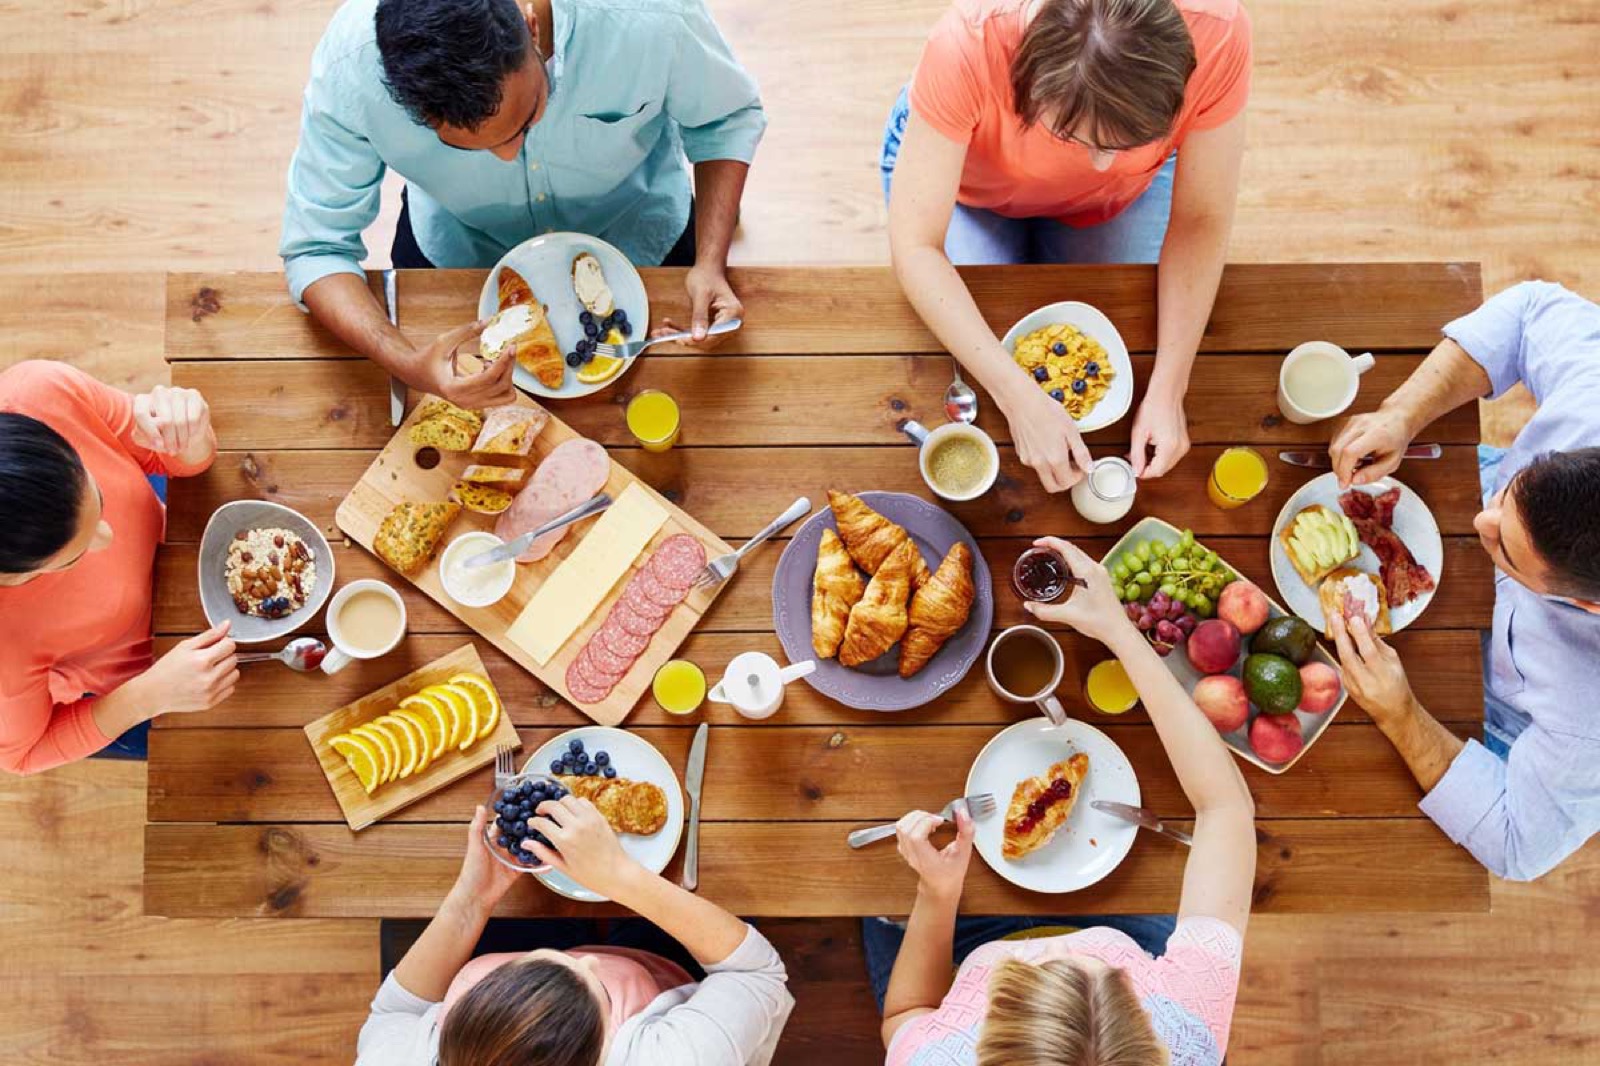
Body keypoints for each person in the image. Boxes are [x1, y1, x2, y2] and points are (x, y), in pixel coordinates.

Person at [870, 537, 1256, 1065]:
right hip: (1130, 922)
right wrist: (1120, 631)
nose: (1057, 944)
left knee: (875, 908)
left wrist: (937, 892)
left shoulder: (930, 1056)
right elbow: (1227, 810)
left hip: (959, 935)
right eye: (1105, 972)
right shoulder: (1187, 1030)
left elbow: (905, 1014)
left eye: (1034, 968)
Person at [281, 0, 767, 408]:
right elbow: (315, 250)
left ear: (530, 26)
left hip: (644, 232)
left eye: (527, 116)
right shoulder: (352, 66)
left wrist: (709, 262)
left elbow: (724, 119)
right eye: (466, 147)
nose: (508, 154)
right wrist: (407, 363)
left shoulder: (646, 14)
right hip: (456, 255)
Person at [884, 0, 1251, 492]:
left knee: (1124, 316)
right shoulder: (966, 45)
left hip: (1123, 199)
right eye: (1075, 137)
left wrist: (1169, 388)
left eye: (1125, 144)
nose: (1101, 167)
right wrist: (1018, 398)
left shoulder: (1221, 32)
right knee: (976, 324)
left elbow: (1202, 217)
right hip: (969, 189)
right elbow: (915, 246)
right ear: (1030, 77)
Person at [1326, 280, 1600, 881]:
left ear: (1584, 603)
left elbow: (1515, 846)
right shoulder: (1593, 397)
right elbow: (1530, 312)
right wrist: (1402, 413)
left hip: (1482, 697)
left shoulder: (1589, 725)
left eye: (1502, 544)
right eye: (1509, 494)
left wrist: (1400, 714)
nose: (1480, 521)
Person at [359, 799, 794, 1064]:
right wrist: (620, 877)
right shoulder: (677, 1057)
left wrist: (473, 900)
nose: (586, 958)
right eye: (597, 989)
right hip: (668, 977)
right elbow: (755, 973)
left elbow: (394, 1012)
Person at [0, 361, 237, 774]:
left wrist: (189, 434)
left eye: (98, 498)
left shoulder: (41, 392)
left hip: (196, 549)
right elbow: (22, 754)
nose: (110, 539)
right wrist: (147, 697)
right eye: (73, 557)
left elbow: (180, 462)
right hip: (168, 670)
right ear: (14, 577)